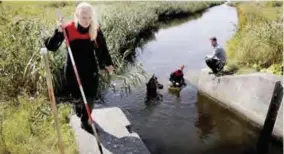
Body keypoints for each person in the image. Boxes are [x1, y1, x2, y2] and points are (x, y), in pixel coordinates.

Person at [44, 2, 114, 134]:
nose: (87, 21)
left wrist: (107, 64)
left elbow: (102, 50)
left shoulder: (95, 29)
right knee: (78, 99)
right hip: (73, 71)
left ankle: (85, 121)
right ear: (77, 16)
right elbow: (51, 47)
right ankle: (79, 108)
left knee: (90, 99)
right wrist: (58, 33)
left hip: (91, 71)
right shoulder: (68, 29)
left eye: (89, 17)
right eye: (83, 17)